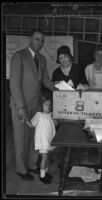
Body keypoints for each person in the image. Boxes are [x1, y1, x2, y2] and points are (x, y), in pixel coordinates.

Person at [9, 29, 57, 181]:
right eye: (37, 39)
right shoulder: (19, 56)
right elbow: (14, 83)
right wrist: (20, 107)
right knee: (21, 138)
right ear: (30, 39)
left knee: (33, 137)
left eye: (42, 40)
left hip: (36, 105)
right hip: (20, 105)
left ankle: (31, 165)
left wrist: (63, 91)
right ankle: (21, 169)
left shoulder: (42, 59)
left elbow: (46, 81)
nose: (40, 43)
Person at [24, 97, 56, 184]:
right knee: (44, 157)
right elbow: (31, 125)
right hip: (42, 140)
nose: (48, 106)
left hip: (48, 140)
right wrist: (26, 120)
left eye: (50, 105)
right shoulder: (39, 115)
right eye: (46, 104)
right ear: (41, 106)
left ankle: (45, 172)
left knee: (47, 158)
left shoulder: (50, 115)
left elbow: (54, 125)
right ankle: (42, 176)